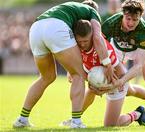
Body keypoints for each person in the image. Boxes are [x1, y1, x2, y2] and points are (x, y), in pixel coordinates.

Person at [13, 1, 115, 129]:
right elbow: (97, 37)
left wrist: (69, 68)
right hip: (56, 27)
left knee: (46, 77)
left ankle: (22, 119)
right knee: (78, 75)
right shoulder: (92, 12)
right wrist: (108, 64)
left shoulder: (71, 12)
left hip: (36, 29)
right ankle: (76, 122)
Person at [62, 19, 145, 127]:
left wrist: (109, 86)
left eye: (85, 41)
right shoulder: (76, 47)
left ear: (92, 36)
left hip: (117, 81)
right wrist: (71, 71)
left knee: (110, 125)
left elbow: (121, 72)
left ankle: (137, 114)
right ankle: (75, 119)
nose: (82, 45)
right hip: (101, 79)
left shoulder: (104, 49)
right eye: (80, 42)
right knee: (94, 91)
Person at [101, 0, 145, 128]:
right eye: (128, 19)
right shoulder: (111, 23)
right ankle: (75, 119)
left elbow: (138, 66)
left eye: (135, 20)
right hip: (119, 48)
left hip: (138, 49)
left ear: (140, 17)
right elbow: (99, 47)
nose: (131, 23)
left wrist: (121, 81)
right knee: (122, 87)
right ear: (122, 14)